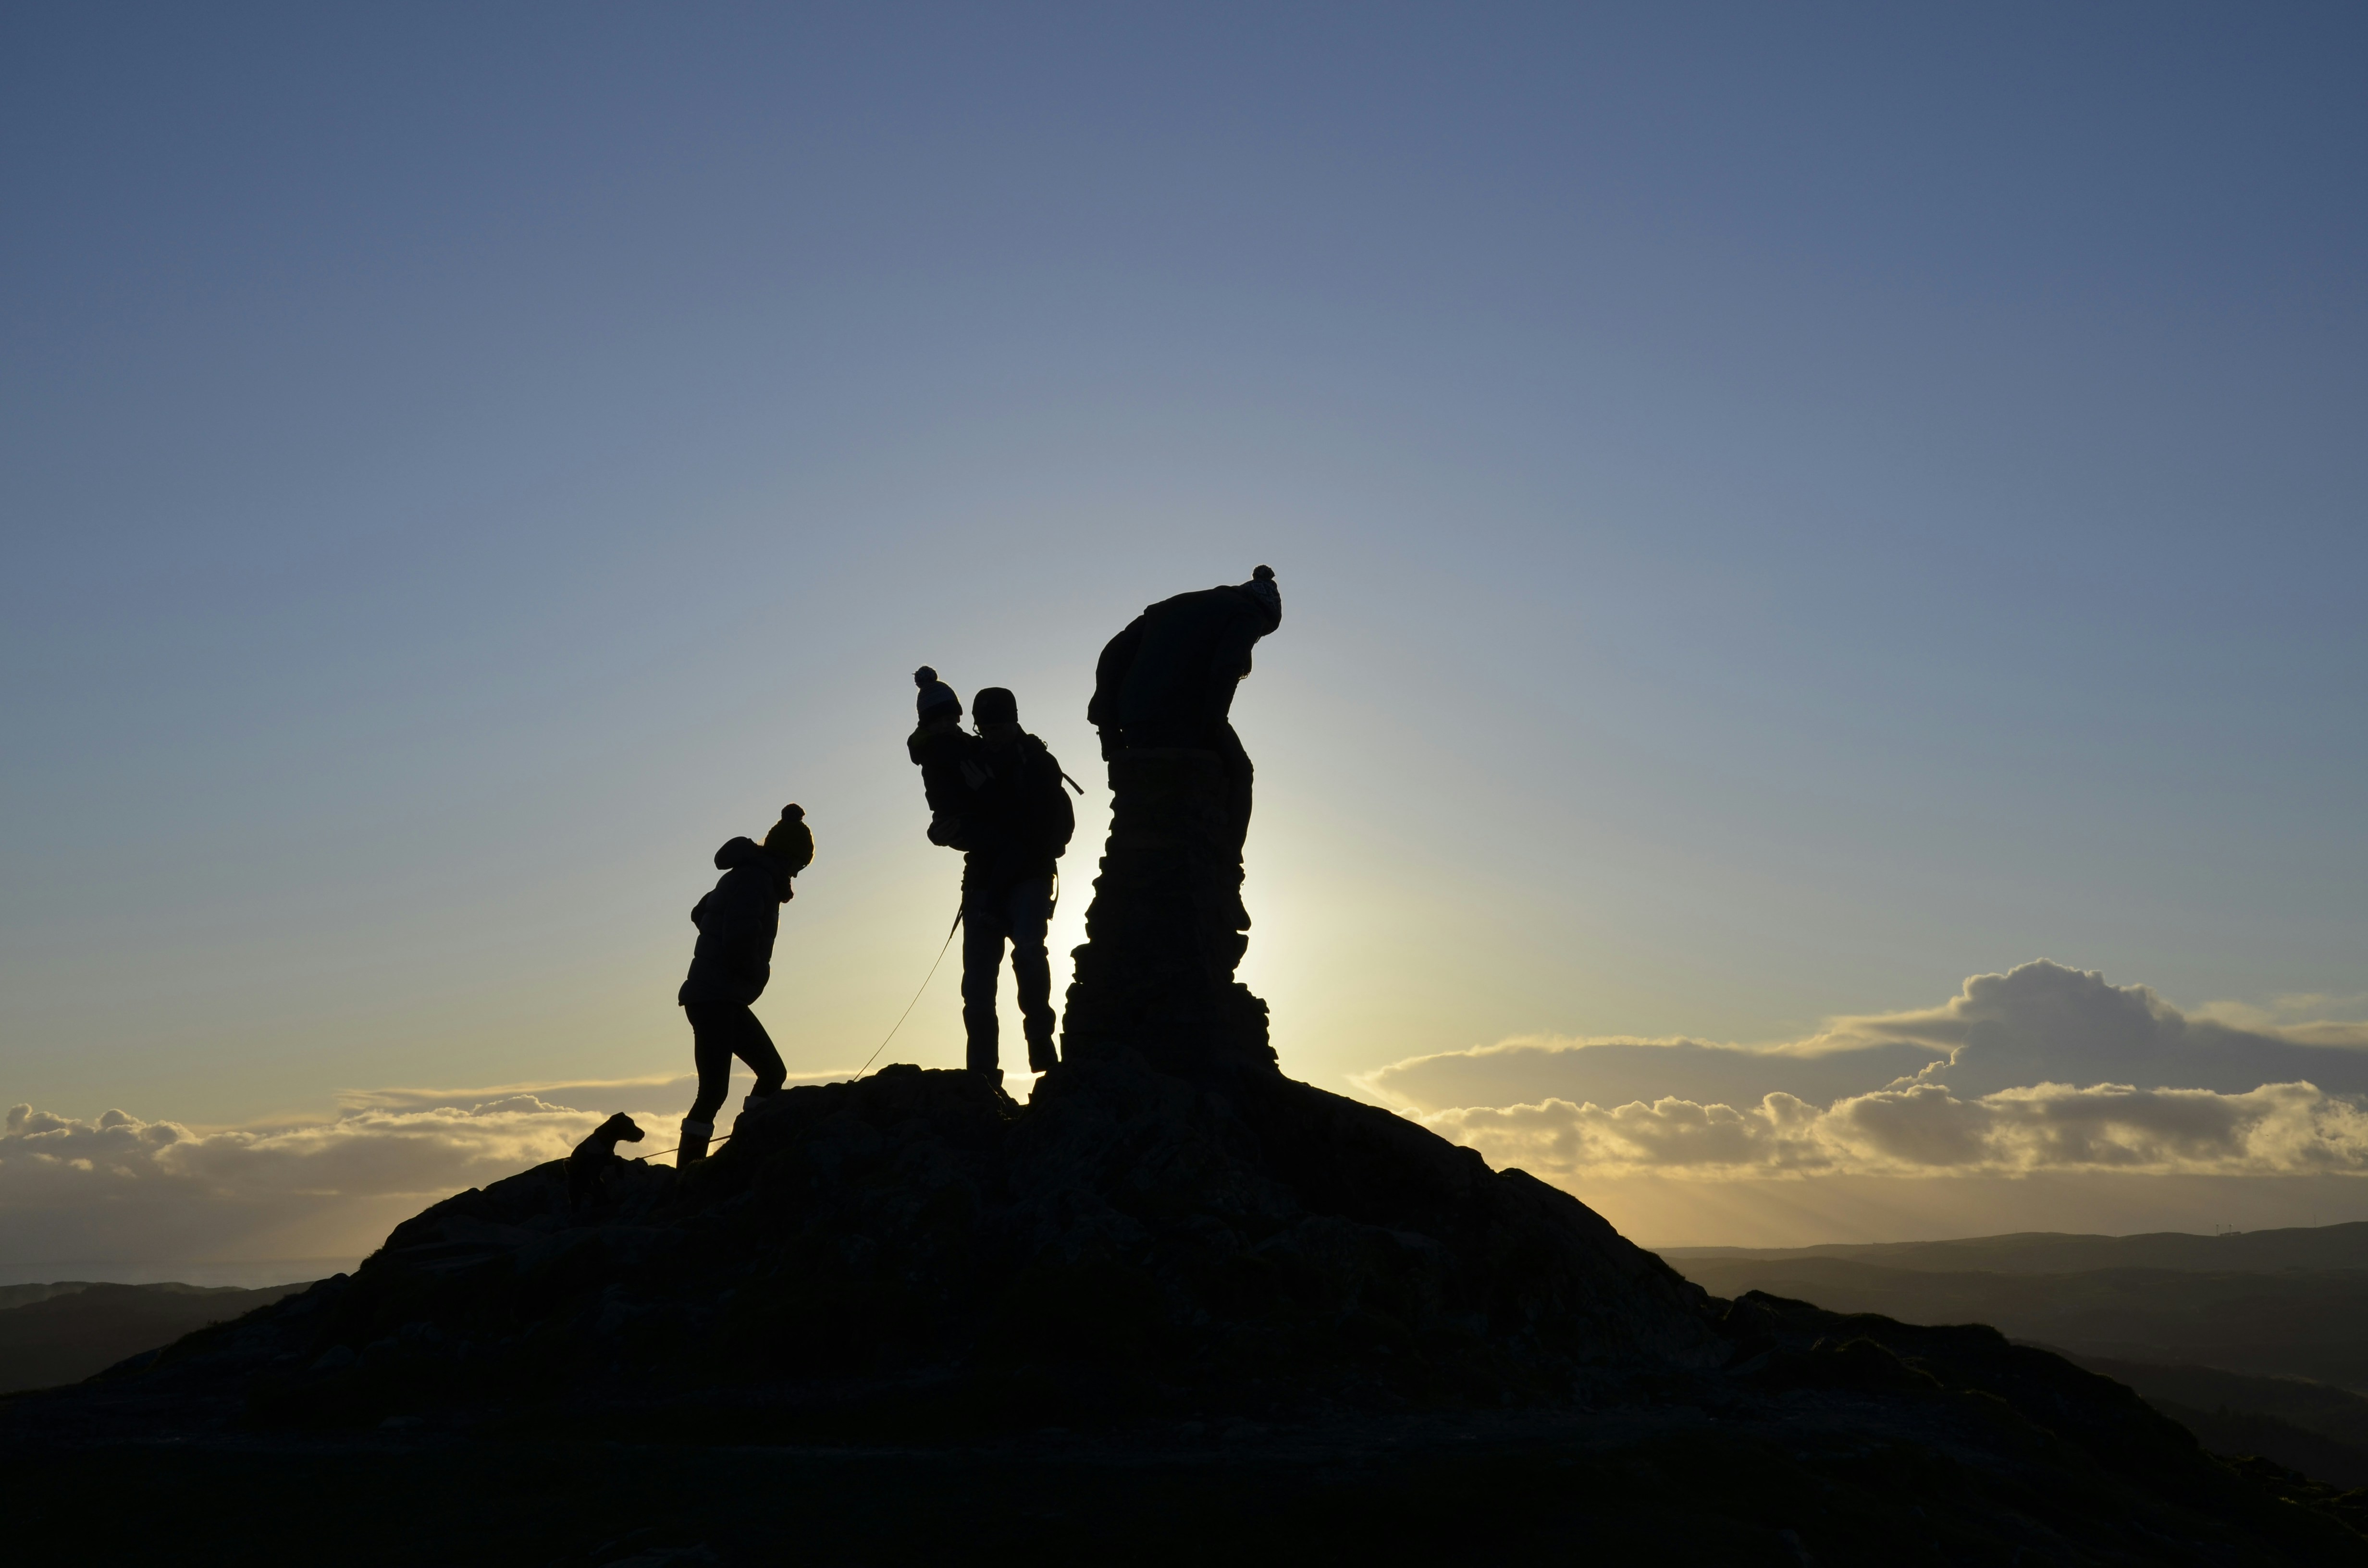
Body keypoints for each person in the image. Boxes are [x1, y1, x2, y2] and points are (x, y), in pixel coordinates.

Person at [1086, 565, 1280, 852]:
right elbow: (1227, 668)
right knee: (1240, 771)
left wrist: (1108, 726)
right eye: (1262, 634)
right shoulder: (1248, 613)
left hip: (1135, 719)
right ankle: (1229, 857)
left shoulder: (1173, 606)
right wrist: (1213, 723)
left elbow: (1113, 653)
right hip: (1183, 717)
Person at [675, 804, 812, 1164]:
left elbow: (700, 912)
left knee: (768, 1074)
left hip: (720, 997)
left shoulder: (747, 875)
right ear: (788, 858)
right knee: (717, 1090)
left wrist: (719, 951)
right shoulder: (755, 879)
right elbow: (738, 934)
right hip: (716, 997)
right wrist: (749, 969)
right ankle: (693, 1173)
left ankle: (740, 1151)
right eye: (799, 866)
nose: (798, 874)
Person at [957, 687, 1077, 1079]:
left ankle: (1041, 1051)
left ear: (1014, 720)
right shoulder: (972, 763)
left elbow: (1034, 825)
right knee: (978, 986)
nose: (992, 734)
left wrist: (988, 796)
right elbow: (968, 826)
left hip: (1025, 876)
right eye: (986, 728)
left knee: (1027, 955)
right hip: (986, 881)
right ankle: (982, 1076)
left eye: (999, 726)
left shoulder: (1039, 763)